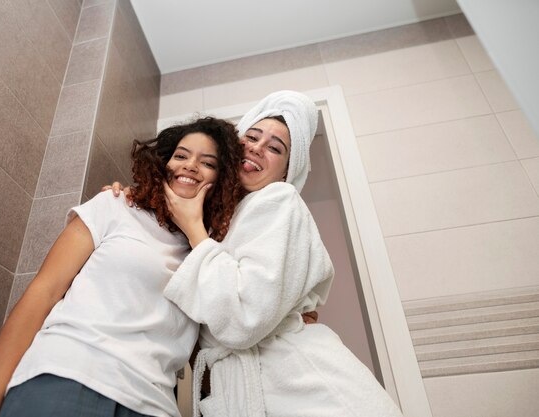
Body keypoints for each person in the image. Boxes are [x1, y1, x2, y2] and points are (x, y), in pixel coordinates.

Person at [109, 90, 403, 417]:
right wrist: (128, 200)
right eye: (251, 136)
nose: (258, 148)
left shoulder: (280, 202)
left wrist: (195, 231)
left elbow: (243, 320)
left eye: (275, 148)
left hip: (310, 390)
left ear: (287, 172)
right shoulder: (218, 220)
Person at [0, 117, 244, 417]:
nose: (190, 166)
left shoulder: (210, 255)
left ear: (222, 180)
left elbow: (225, 334)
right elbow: (43, 293)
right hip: (65, 376)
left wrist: (194, 230)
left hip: (153, 405)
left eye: (207, 163)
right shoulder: (116, 204)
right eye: (180, 155)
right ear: (163, 163)